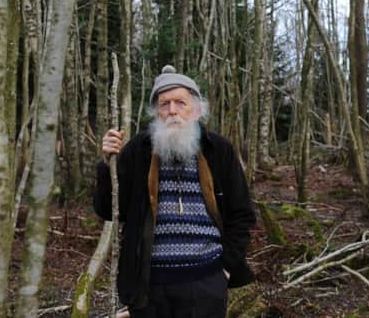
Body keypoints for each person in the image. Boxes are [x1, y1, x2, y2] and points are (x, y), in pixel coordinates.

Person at [94, 65, 256, 317]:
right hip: (149, 286)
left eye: (180, 103)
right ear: (155, 112)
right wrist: (107, 164)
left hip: (206, 282)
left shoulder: (219, 150)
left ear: (198, 109)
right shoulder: (138, 150)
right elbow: (108, 210)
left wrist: (224, 269)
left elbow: (242, 215)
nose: (172, 111)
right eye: (164, 104)